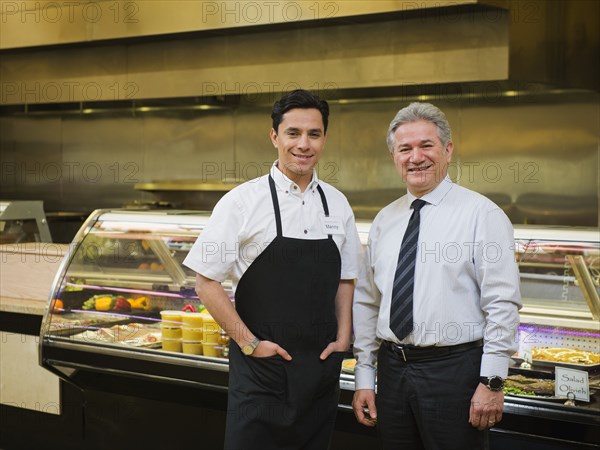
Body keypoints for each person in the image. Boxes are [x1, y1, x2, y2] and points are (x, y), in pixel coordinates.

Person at [183, 89, 362, 450]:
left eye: (314, 134)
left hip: (321, 370)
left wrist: (344, 337)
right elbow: (205, 282)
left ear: (324, 138)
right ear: (274, 137)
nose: (303, 144)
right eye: (293, 133)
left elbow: (346, 278)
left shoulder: (337, 203)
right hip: (261, 372)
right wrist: (249, 344)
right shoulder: (242, 201)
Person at [351, 102, 522, 450]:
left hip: (454, 372)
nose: (416, 157)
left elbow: (502, 303)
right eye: (405, 148)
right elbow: (368, 302)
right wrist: (364, 377)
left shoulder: (482, 215)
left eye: (426, 145)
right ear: (394, 157)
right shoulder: (385, 219)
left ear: (447, 150)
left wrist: (492, 382)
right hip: (392, 370)